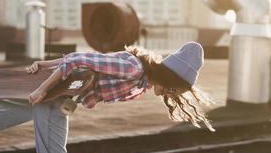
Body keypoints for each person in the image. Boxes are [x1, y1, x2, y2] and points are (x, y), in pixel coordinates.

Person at [27, 41, 214, 131]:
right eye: (173, 89)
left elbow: (89, 59)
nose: (169, 95)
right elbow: (77, 59)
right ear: (169, 78)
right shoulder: (133, 69)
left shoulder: (141, 84)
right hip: (50, 95)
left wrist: (46, 64)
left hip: (60, 101)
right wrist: (42, 88)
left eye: (174, 94)